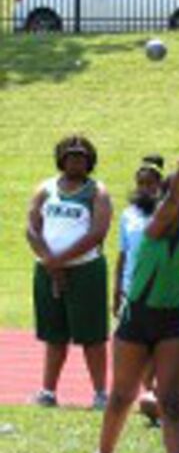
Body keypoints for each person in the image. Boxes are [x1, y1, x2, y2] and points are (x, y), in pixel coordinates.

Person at [84, 151, 179, 453]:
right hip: (137, 317)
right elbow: (172, 200)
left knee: (172, 402)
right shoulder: (155, 225)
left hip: (171, 321)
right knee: (121, 397)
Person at [26, 135, 112, 410]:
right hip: (47, 270)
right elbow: (31, 226)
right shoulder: (46, 188)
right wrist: (49, 261)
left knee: (93, 337)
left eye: (82, 156)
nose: (76, 160)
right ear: (61, 159)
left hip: (86, 271)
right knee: (54, 335)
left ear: (90, 161)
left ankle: (100, 393)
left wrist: (60, 260)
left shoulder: (97, 191)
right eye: (71, 155)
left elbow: (98, 232)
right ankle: (48, 392)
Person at [113, 155, 164, 318]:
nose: (145, 188)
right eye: (141, 183)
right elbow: (122, 254)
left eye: (150, 183)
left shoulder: (169, 213)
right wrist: (117, 290)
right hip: (131, 290)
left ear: (159, 185)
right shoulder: (128, 214)